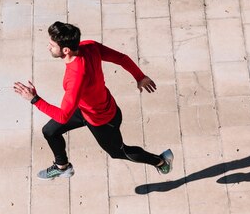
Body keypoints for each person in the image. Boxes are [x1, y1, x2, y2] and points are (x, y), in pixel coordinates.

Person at [14, 21, 173, 180]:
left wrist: (34, 99)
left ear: (66, 50)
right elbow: (121, 58)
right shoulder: (89, 46)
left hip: (103, 120)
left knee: (119, 152)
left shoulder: (75, 77)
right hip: (85, 109)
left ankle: (161, 161)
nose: (48, 47)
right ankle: (62, 167)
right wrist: (140, 76)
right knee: (49, 131)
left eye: (52, 45)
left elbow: (63, 116)